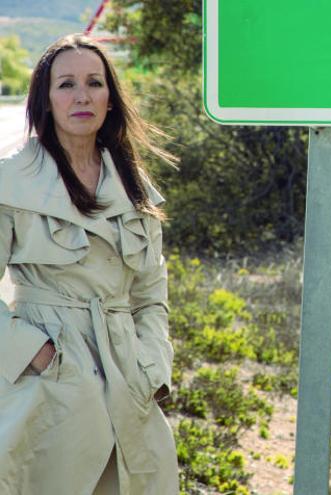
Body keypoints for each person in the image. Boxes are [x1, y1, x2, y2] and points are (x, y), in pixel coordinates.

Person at [0, 34, 178, 494]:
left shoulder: (134, 185)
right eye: (66, 84)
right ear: (46, 99)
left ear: (110, 99)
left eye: (95, 82)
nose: (82, 95)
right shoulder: (11, 180)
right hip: (47, 385)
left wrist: (151, 367)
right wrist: (34, 354)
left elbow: (150, 294)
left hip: (128, 384)